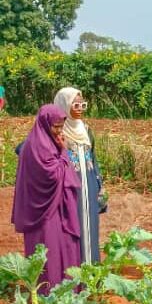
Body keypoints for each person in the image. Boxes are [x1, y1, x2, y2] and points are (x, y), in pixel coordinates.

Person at [11, 104, 81, 292]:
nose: (58, 131)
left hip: (57, 208)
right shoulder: (36, 147)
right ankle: (48, 294)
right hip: (43, 212)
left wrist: (60, 151)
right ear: (44, 123)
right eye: (55, 126)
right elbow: (53, 175)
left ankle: (67, 292)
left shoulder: (50, 143)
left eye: (60, 127)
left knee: (63, 246)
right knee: (48, 251)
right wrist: (64, 153)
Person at [54, 87, 105, 264]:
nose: (80, 108)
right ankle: (74, 277)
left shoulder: (87, 130)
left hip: (89, 185)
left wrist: (100, 186)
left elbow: (94, 158)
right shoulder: (57, 131)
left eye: (83, 104)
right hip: (69, 187)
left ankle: (91, 275)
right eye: (76, 104)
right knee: (72, 228)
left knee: (91, 227)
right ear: (64, 105)